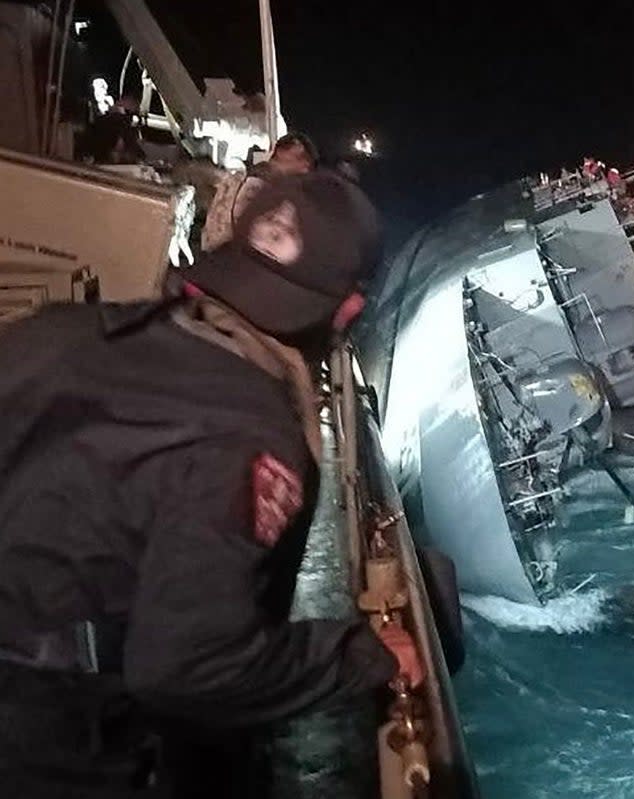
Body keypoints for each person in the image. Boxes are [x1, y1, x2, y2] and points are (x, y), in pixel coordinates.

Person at [0, 170, 422, 797]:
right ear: (348, 310)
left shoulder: (62, 333)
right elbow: (185, 667)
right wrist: (365, 655)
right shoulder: (250, 438)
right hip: (50, 748)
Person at [201, 131, 320, 252]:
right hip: (229, 259)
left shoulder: (237, 178)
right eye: (301, 159)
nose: (304, 170)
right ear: (281, 152)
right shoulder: (265, 190)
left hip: (215, 257)